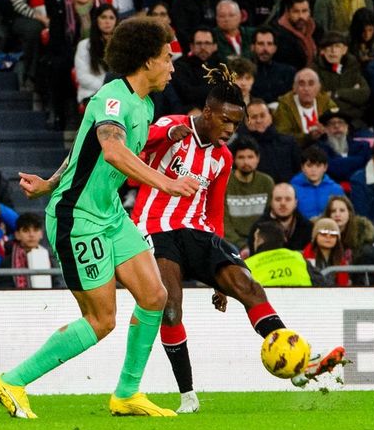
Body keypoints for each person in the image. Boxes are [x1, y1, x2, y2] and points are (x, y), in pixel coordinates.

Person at [0, 17, 199, 420]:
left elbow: (82, 148)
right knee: (101, 320)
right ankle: (12, 380)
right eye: (167, 58)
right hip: (78, 218)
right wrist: (168, 184)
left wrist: (50, 182)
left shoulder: (145, 104)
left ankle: (127, 394)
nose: (172, 67)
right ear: (147, 61)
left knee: (155, 296)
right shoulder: (112, 99)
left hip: (109, 213)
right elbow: (112, 152)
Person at [132, 67, 345, 410]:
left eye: (236, 123)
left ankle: (299, 364)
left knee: (248, 286)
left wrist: (217, 276)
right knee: (170, 308)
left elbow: (214, 211)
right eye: (226, 121)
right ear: (208, 112)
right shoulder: (173, 126)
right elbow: (134, 148)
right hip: (155, 227)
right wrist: (168, 133)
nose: (231, 130)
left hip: (199, 232)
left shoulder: (223, 157)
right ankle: (187, 395)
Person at [9, 0, 76, 130]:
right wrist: (37, 16)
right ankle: (31, 75)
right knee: (35, 31)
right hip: (30, 17)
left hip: (60, 18)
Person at [224, 135, 275, 248]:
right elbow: (224, 221)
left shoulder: (266, 182)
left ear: (257, 158)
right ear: (234, 159)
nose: (246, 162)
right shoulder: (225, 182)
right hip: (231, 243)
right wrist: (242, 246)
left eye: (250, 157)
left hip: (261, 240)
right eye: (241, 157)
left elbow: (270, 217)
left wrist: (260, 242)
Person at [238, 98, 301, 183]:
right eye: (254, 117)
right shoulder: (238, 146)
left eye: (262, 116)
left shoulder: (289, 143)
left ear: (270, 117)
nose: (259, 120)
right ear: (246, 121)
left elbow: (299, 172)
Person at [312, 32, 368, 125]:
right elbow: (319, 100)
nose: (333, 51)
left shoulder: (352, 67)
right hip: (325, 121)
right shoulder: (313, 71)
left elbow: (364, 94)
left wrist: (336, 94)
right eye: (329, 47)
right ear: (322, 51)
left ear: (344, 50)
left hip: (353, 121)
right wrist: (351, 94)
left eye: (337, 46)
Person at [273, 68, 337, 147]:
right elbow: (283, 136)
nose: (306, 89)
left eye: (311, 84)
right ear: (294, 88)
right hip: (298, 149)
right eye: (301, 84)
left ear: (318, 87)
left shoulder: (325, 101)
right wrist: (308, 137)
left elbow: (337, 123)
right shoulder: (285, 105)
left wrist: (326, 129)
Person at [248, 181, 313, 251]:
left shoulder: (307, 227)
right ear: (271, 202)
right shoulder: (259, 227)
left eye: (288, 199)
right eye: (278, 199)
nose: (283, 203)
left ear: (295, 203)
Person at [75, 4, 118, 104]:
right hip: (92, 94)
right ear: (96, 20)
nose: (107, 21)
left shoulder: (121, 45)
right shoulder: (84, 45)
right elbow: (82, 76)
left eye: (111, 18)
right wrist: (107, 87)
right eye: (103, 17)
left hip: (117, 95)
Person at [290, 145, 344, 219]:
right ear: (302, 167)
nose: (313, 170)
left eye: (318, 166)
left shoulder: (336, 189)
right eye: (309, 166)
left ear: (325, 167)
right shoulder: (292, 189)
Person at [273, 0, 320, 70]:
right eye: (296, 11)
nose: (301, 16)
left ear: (310, 12)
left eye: (304, 11)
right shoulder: (279, 34)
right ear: (288, 12)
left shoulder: (317, 28)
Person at [301, 217, 345, 287]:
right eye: (323, 233)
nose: (328, 237)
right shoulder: (305, 257)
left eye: (333, 234)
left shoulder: (341, 258)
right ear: (315, 236)